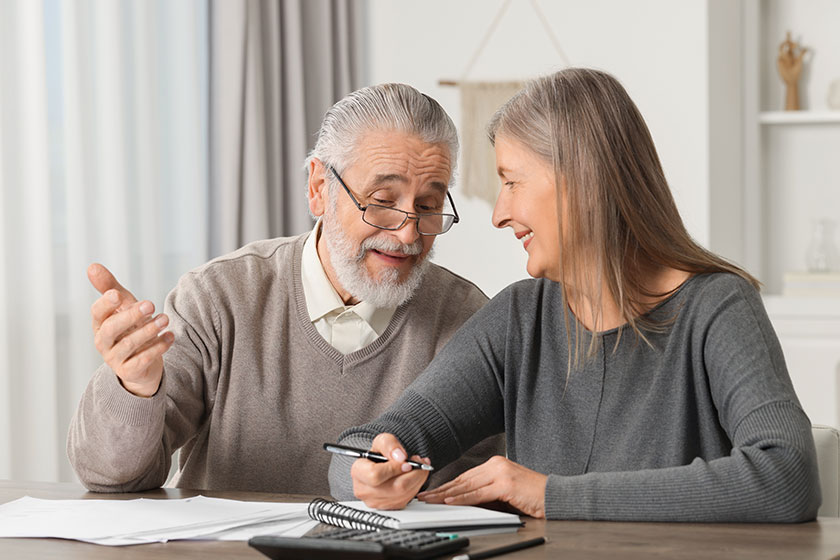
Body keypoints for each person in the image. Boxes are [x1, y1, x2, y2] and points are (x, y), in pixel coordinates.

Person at [328, 68, 821, 522]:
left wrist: (552, 495)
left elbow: (787, 477)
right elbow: (367, 444)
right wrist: (369, 471)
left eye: (511, 182)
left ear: (582, 181)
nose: (498, 214)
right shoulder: (519, 319)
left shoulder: (718, 309)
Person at [67, 83, 503, 495]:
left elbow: (470, 502)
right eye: (383, 201)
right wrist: (134, 387)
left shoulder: (468, 321)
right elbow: (108, 478)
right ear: (319, 188)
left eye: (427, 207)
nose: (409, 234)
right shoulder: (219, 298)